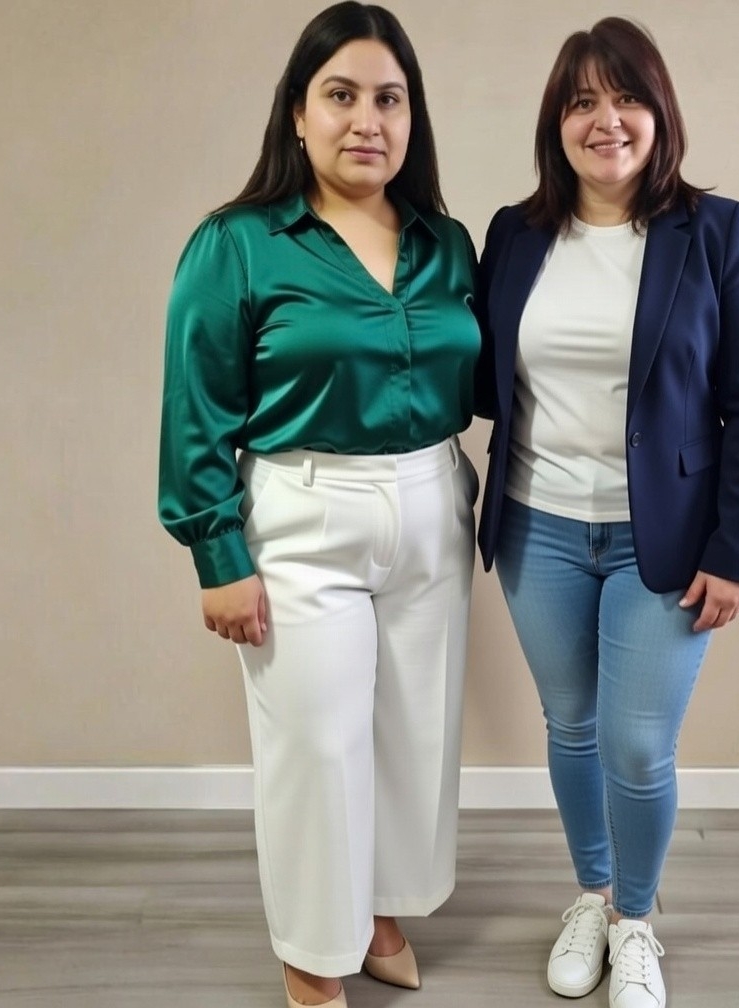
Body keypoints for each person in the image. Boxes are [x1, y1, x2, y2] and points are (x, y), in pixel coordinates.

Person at [158, 4, 480, 1006]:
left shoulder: (446, 243)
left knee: (414, 734)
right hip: (303, 515)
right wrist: (218, 556)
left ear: (412, 117)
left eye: (390, 99)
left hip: (433, 501)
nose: (367, 121)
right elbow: (196, 410)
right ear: (298, 113)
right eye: (341, 95)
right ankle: (311, 957)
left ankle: (378, 910)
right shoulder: (238, 244)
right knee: (316, 743)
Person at [475, 16, 739, 1008]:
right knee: (571, 726)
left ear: (659, 113)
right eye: (581, 102)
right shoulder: (515, 235)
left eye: (625, 98)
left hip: (671, 538)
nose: (604, 120)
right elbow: (477, 377)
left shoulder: (715, 230)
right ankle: (593, 895)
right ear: (556, 124)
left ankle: (636, 921)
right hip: (538, 527)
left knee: (637, 745)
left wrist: (737, 550)